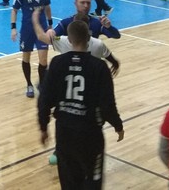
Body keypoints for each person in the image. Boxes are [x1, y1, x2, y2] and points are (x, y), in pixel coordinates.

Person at [38, 20, 124, 189]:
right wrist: (118, 125)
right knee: (92, 180)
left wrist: (43, 126)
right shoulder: (99, 67)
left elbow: (45, 99)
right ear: (88, 38)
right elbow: (107, 104)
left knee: (69, 181)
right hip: (90, 134)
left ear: (69, 40)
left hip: (64, 132)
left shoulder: (57, 63)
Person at [34, 11, 120, 76]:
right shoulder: (98, 44)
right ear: (88, 26)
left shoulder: (64, 41)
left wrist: (35, 20)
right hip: (91, 84)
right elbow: (109, 56)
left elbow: (41, 37)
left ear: (72, 25)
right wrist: (115, 63)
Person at [11, 0, 52, 98]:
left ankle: (42, 85)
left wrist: (50, 24)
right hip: (27, 30)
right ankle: (29, 84)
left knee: (43, 60)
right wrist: (13, 28)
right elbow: (14, 10)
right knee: (26, 57)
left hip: (42, 29)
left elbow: (47, 7)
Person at [53, 0, 121, 41]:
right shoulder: (65, 23)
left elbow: (116, 36)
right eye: (82, 2)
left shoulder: (96, 23)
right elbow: (52, 38)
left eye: (88, 3)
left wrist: (109, 27)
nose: (86, 6)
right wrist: (51, 33)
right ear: (75, 4)